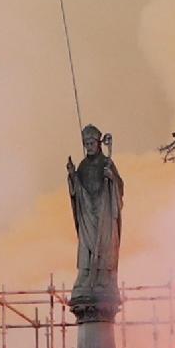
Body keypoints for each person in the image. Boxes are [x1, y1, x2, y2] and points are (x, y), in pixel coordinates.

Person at [67, 125, 124, 314]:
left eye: (91, 143)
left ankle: (103, 277)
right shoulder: (83, 166)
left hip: (104, 215)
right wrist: (73, 176)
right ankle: (85, 275)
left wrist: (111, 179)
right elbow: (79, 192)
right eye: (86, 144)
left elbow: (118, 189)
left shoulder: (107, 163)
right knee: (85, 246)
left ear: (98, 143)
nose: (88, 146)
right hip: (87, 217)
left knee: (106, 245)